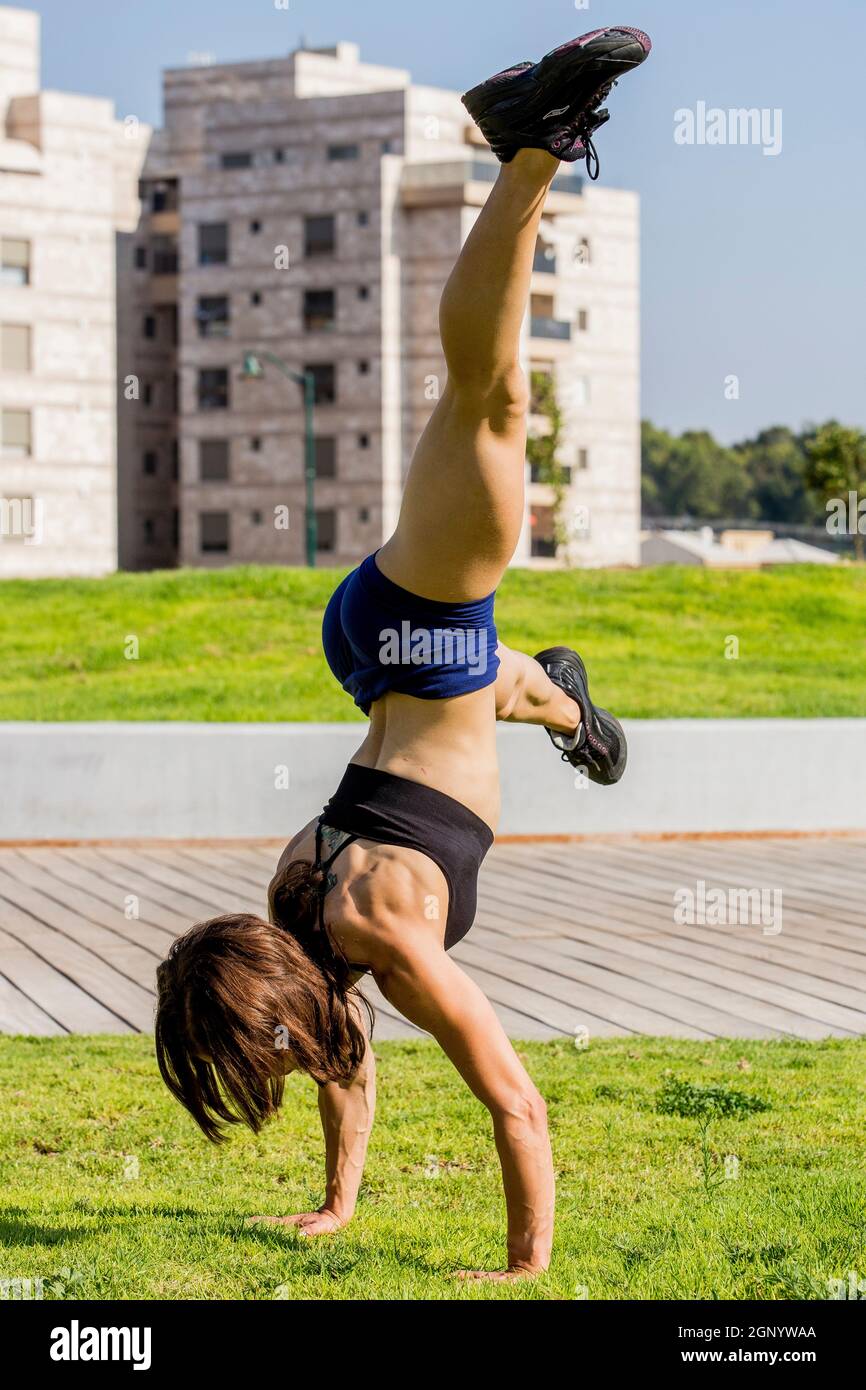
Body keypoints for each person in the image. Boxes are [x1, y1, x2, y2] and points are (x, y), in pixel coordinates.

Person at [155, 25, 651, 1281]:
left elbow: (514, 1099)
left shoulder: (374, 922)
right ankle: (563, 703)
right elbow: (342, 1052)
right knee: (496, 686)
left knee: (484, 399)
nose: (261, 1063)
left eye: (247, 1046)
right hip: (393, 662)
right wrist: (338, 1203)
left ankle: (528, 144)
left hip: (415, 648)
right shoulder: (297, 911)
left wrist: (525, 1265)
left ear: (269, 995)